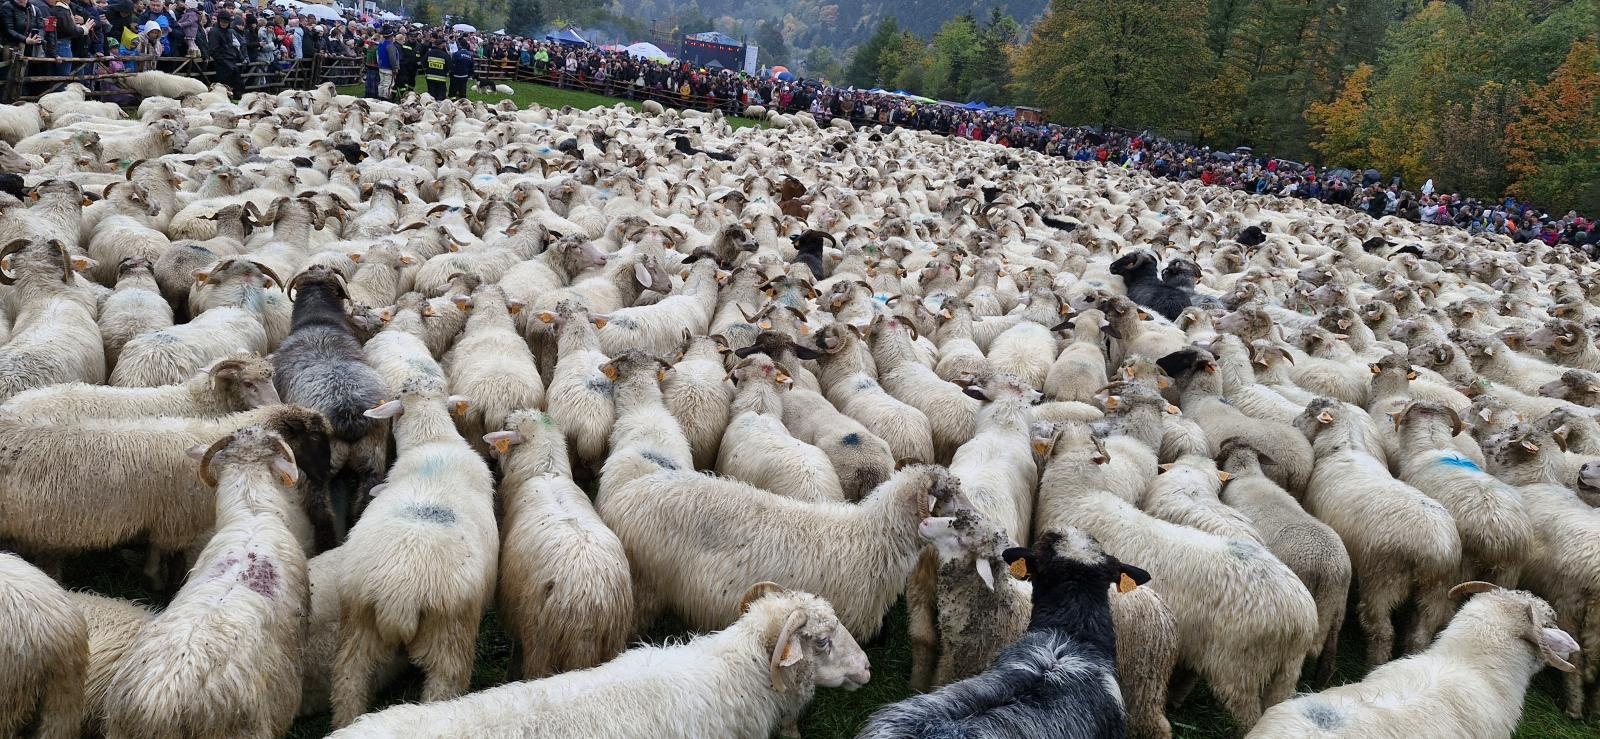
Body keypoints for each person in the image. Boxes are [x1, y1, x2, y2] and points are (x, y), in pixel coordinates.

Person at [203, 9, 242, 95]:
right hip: (221, 62)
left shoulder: (229, 31)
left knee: (236, 82)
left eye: (226, 22)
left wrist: (234, 55)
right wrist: (222, 59)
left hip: (230, 59)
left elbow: (231, 45)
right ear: (219, 21)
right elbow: (213, 48)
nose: (224, 23)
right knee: (223, 84)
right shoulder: (214, 31)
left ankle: (235, 97)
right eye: (222, 21)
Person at [448, 34, 474, 99]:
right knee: (462, 92)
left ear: (459, 45)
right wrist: (469, 75)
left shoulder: (456, 54)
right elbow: (471, 66)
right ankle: (463, 101)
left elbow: (452, 65)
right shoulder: (470, 55)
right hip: (465, 76)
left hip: (456, 76)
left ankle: (453, 100)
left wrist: (451, 74)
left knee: (453, 93)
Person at [422, 33, 446, 98]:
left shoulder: (429, 53)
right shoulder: (445, 54)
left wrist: (426, 71)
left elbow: (424, 63)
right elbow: (448, 65)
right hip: (441, 77)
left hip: (430, 76)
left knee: (431, 94)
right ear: (440, 45)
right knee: (440, 94)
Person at [375, 25, 396, 99]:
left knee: (382, 83)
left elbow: (378, 56)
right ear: (391, 37)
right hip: (389, 68)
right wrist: (395, 68)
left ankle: (380, 97)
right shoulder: (390, 46)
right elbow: (392, 58)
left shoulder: (380, 44)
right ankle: (386, 98)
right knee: (388, 84)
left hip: (381, 67)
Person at [395, 27, 415, 94]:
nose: (404, 42)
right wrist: (406, 63)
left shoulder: (394, 45)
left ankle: (393, 96)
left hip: (397, 67)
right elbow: (400, 58)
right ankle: (403, 95)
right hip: (401, 68)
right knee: (402, 84)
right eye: (403, 41)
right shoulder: (399, 47)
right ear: (400, 40)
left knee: (395, 84)